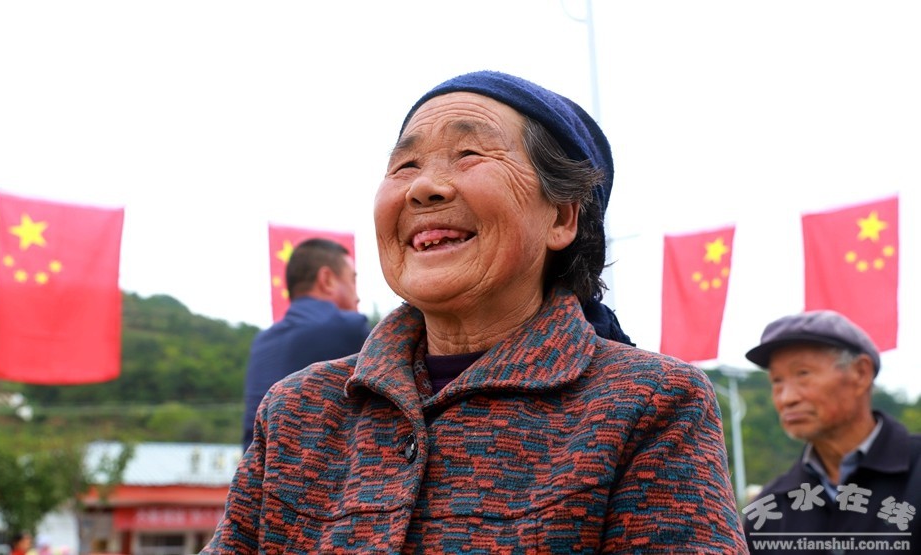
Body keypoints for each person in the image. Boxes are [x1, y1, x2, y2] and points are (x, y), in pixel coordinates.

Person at [205, 70, 747, 553]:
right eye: (405, 165)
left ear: (562, 217)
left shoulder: (652, 403)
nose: (424, 187)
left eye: (469, 155)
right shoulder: (296, 410)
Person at [742, 310, 920, 553]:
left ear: (860, 373)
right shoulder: (770, 507)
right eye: (777, 381)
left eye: (803, 374)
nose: (786, 398)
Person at [240, 237, 371, 451]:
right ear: (327, 280)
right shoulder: (346, 328)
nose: (357, 297)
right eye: (352, 280)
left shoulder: (262, 342)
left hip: (255, 466)